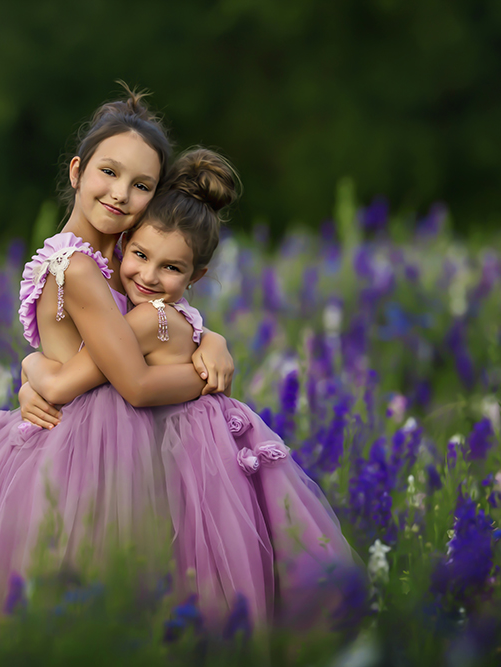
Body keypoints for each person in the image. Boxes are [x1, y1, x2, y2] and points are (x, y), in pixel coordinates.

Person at [0, 85, 236, 619]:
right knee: (87, 592)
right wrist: (208, 373)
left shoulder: (123, 259)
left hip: (115, 434)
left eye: (141, 184)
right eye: (109, 172)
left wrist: (207, 338)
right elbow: (132, 377)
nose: (121, 193)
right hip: (89, 444)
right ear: (77, 171)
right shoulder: (77, 267)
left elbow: (150, 327)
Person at [21, 148, 362, 631]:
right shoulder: (170, 315)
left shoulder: (145, 317)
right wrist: (211, 350)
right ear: (121, 247)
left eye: (172, 268)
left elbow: (65, 381)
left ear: (196, 276)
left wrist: (29, 364)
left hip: (178, 454)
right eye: (139, 255)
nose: (149, 276)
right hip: (181, 447)